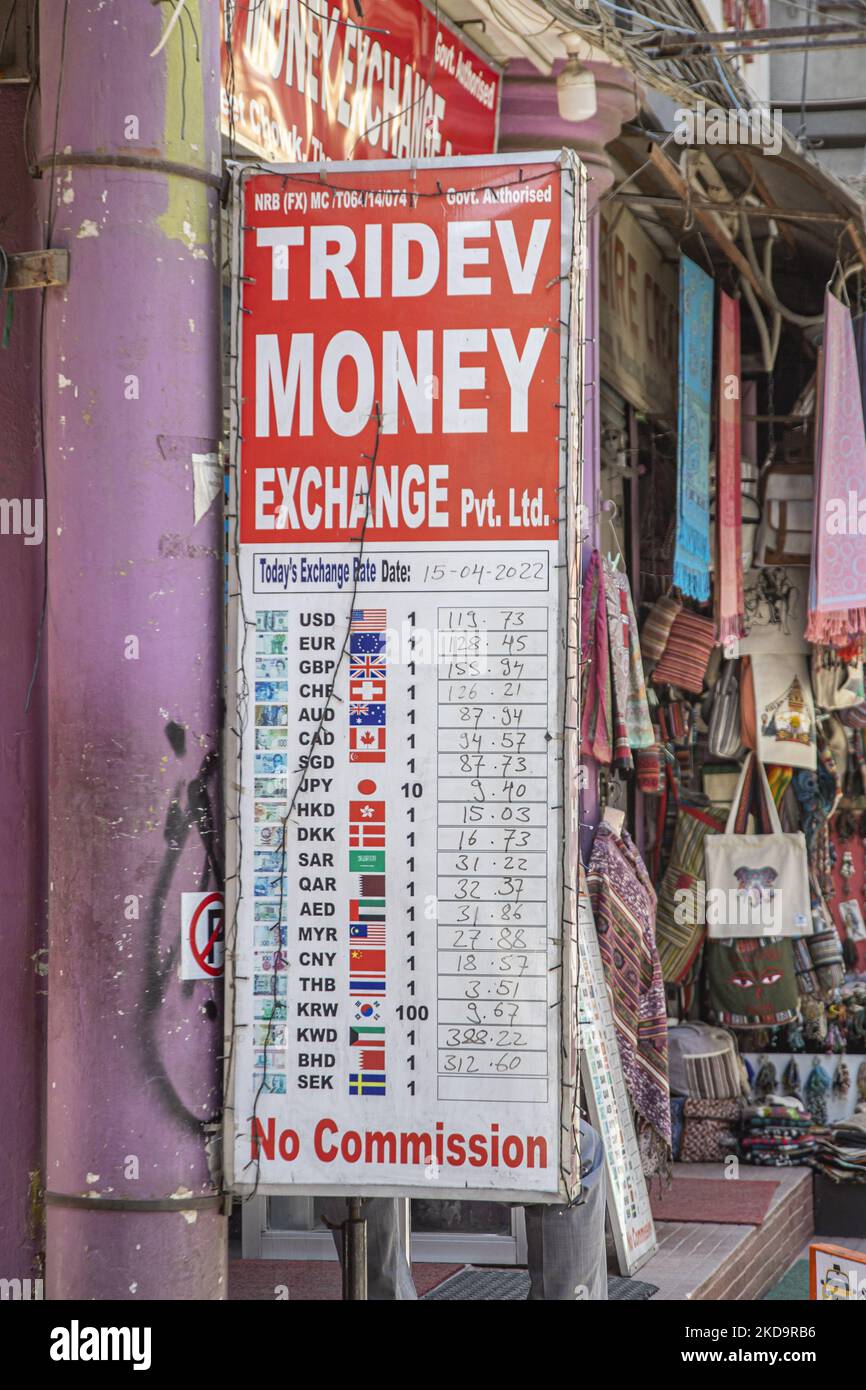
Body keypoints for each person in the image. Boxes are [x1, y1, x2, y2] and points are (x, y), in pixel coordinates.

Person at [323, 1118, 608, 1301]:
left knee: (336, 1151)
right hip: (450, 1125)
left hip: (363, 1132)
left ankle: (381, 1294)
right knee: (580, 1152)